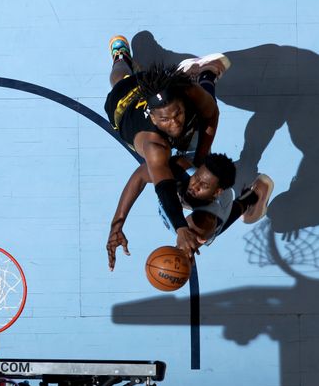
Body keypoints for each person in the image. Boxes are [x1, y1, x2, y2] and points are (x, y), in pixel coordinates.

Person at [103, 34, 231, 254]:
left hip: (152, 85)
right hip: (123, 105)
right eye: (165, 120)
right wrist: (180, 228)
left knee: (200, 113)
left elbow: (211, 115)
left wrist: (201, 157)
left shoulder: (186, 92)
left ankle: (204, 75)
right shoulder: (154, 147)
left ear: (182, 101)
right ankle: (121, 57)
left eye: (178, 114)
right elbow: (160, 185)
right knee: (120, 79)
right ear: (154, 118)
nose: (174, 124)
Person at [106, 153, 274, 270]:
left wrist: (180, 259)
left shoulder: (204, 220)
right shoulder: (180, 169)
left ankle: (252, 197)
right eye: (197, 178)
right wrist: (117, 225)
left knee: (211, 231)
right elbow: (140, 175)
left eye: (204, 186)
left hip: (217, 208)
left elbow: (185, 244)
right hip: (195, 195)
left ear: (216, 192)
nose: (195, 186)